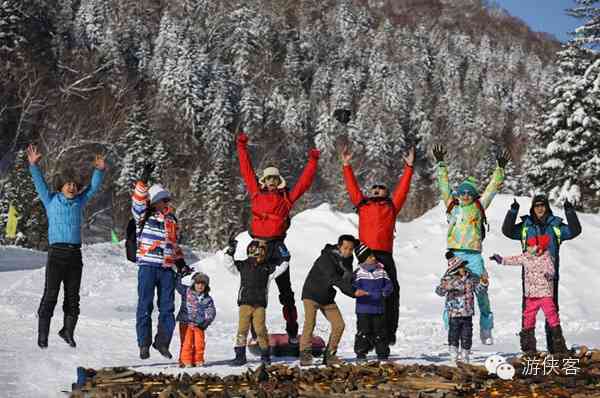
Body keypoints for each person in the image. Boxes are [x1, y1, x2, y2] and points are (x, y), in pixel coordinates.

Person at [236, 132, 320, 344]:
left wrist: (313, 161)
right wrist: (241, 146)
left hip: (277, 246)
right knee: (254, 289)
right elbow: (246, 170)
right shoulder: (256, 193)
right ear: (264, 181)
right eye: (268, 179)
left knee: (286, 291)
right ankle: (255, 334)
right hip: (257, 246)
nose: (272, 182)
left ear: (278, 182)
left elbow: (304, 183)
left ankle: (292, 331)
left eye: (275, 179)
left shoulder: (286, 200)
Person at [27, 144, 106, 349]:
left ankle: (68, 331)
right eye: (67, 184)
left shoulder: (80, 202)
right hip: (56, 254)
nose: (71, 187)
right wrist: (34, 165)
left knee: (73, 297)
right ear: (61, 186)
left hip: (74, 256)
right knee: (50, 295)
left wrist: (98, 170)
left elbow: (94, 187)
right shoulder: (51, 200)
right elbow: (39, 184)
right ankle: (42, 335)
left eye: (74, 184)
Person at [432, 145, 509, 345]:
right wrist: (441, 164)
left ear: (474, 195)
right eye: (462, 192)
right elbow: (443, 185)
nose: (465, 195)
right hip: (455, 255)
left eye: (469, 192)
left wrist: (499, 170)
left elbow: (492, 188)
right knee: (452, 290)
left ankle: (486, 327)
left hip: (474, 256)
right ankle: (450, 329)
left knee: (481, 290)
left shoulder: (478, 206)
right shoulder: (452, 205)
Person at [341, 145, 414, 345]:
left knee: (392, 292)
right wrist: (346, 165)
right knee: (365, 294)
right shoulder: (362, 205)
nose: (376, 190)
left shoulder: (391, 206)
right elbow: (352, 188)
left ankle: (388, 333)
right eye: (374, 188)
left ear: (386, 192)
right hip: (365, 256)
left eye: (381, 188)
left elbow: (403, 190)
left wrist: (409, 167)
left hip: (385, 255)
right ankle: (366, 336)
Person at [501, 194, 581, 353]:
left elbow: (574, 230)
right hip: (530, 279)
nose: (540, 208)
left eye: (542, 205)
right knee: (528, 314)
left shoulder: (556, 226)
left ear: (547, 207)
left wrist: (569, 211)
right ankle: (529, 350)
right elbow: (508, 231)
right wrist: (512, 212)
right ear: (532, 207)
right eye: (537, 205)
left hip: (550, 278)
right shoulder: (525, 226)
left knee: (552, 313)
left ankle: (556, 349)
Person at [132, 163, 186, 360]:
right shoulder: (143, 216)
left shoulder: (171, 220)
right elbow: (138, 200)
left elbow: (174, 245)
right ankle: (143, 344)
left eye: (167, 200)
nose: (167, 203)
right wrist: (143, 180)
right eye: (163, 200)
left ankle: (162, 342)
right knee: (145, 305)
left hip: (166, 269)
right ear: (154, 202)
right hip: (147, 266)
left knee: (168, 308)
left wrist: (181, 264)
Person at [490, 235, 568, 355]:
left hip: (545, 294)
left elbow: (551, 270)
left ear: (540, 248)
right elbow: (514, 259)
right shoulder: (526, 257)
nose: (530, 248)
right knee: (528, 319)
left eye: (533, 246)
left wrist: (549, 275)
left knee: (552, 317)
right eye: (529, 246)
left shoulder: (547, 258)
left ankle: (559, 346)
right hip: (531, 295)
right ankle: (528, 347)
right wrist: (501, 260)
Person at [299, 234, 366, 366]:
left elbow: (346, 279)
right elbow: (333, 278)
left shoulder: (347, 260)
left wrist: (357, 279)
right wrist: (353, 292)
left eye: (350, 249)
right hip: (311, 294)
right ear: (339, 246)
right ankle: (305, 354)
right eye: (345, 248)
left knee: (339, 325)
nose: (348, 251)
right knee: (310, 323)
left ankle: (330, 355)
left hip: (327, 297)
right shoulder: (326, 258)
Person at [225, 239, 289, 366]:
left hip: (259, 305)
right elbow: (229, 265)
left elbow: (283, 265)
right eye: (256, 251)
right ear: (250, 252)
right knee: (242, 329)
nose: (259, 254)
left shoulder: (267, 268)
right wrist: (230, 251)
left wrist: (284, 253)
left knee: (260, 330)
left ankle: (265, 354)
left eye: (261, 252)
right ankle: (240, 355)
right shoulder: (243, 266)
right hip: (245, 303)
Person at [435, 252, 487, 363]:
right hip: (454, 313)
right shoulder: (449, 279)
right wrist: (449, 286)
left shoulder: (471, 278)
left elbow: (478, 290)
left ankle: (465, 355)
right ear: (455, 269)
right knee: (454, 334)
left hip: (467, 312)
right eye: (461, 266)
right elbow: (439, 291)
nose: (464, 268)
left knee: (467, 335)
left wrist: (483, 283)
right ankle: (453, 355)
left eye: (464, 266)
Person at [352, 242, 393, 361]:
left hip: (379, 308)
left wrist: (385, 292)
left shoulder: (381, 271)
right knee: (363, 331)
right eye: (370, 257)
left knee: (380, 332)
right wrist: (357, 291)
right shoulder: (358, 273)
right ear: (363, 259)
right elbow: (353, 287)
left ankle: (382, 354)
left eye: (373, 256)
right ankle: (361, 353)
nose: (374, 258)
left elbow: (389, 285)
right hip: (363, 308)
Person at [175, 271, 216, 367]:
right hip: (185, 321)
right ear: (193, 283)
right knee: (186, 342)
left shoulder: (207, 298)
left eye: (203, 284)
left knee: (199, 343)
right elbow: (177, 285)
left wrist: (206, 322)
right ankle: (185, 360)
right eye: (198, 283)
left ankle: (197, 360)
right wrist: (179, 275)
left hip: (199, 324)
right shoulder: (186, 291)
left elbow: (211, 311)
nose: (200, 286)